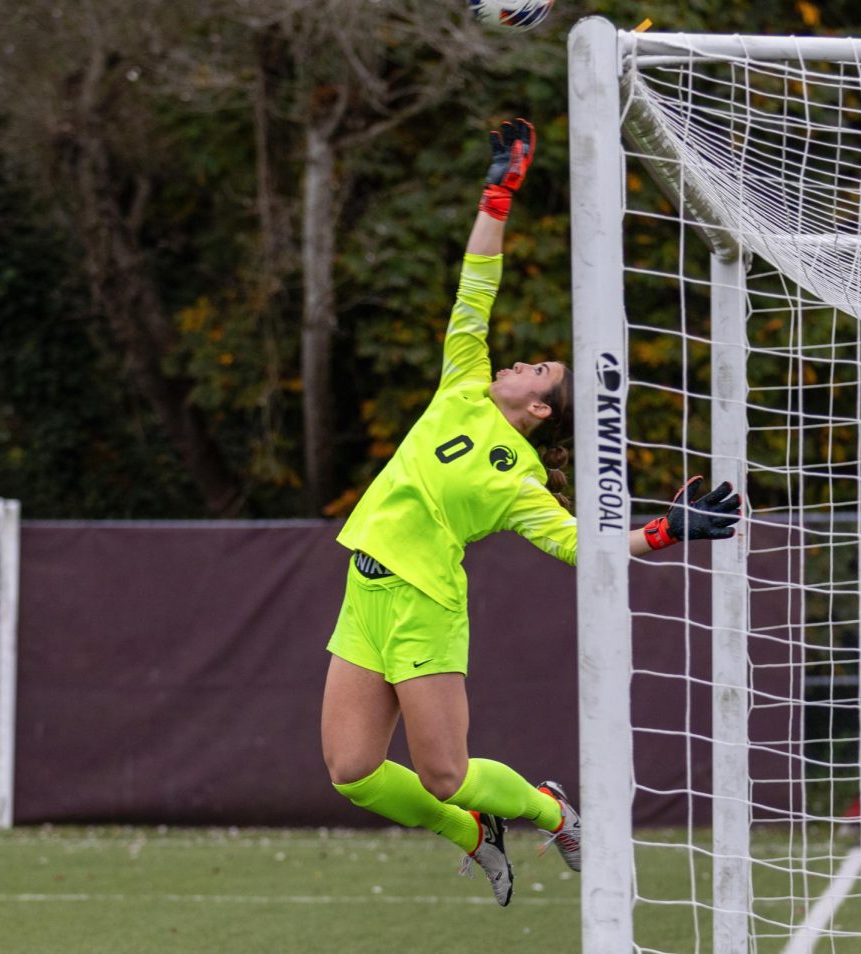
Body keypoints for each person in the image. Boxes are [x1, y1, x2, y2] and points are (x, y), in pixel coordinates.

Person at [320, 118, 741, 907]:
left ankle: (550, 810)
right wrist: (498, 192)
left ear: (540, 410)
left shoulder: (520, 481)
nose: (520, 361)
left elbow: (582, 546)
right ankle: (473, 835)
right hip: (365, 588)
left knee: (445, 773)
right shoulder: (463, 383)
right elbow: (476, 281)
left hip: (423, 606)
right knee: (352, 773)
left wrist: (664, 529)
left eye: (537, 368)